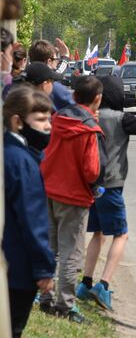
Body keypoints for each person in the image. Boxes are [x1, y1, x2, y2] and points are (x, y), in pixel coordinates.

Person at [76, 77, 136, 311]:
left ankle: (85, 283)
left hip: (92, 184)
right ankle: (104, 284)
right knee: (121, 235)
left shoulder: (92, 116)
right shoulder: (122, 119)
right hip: (112, 185)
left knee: (98, 234)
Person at [39, 76, 105, 323]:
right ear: (97, 99)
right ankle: (65, 305)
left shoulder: (57, 118)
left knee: (51, 248)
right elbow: (91, 171)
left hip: (49, 188)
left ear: (74, 95)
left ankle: (45, 297)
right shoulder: (88, 129)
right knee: (70, 253)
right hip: (74, 196)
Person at [3, 87, 56, 337]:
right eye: (41, 119)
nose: (48, 127)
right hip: (18, 270)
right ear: (17, 121)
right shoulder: (22, 162)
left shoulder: (10, 154)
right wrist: (44, 270)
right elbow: (33, 221)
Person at [27, 39, 75, 110]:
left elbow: (58, 74)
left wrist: (65, 57)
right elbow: (78, 111)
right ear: (49, 62)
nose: (57, 63)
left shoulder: (20, 83)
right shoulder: (53, 88)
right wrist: (65, 57)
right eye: (56, 59)